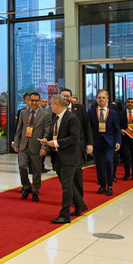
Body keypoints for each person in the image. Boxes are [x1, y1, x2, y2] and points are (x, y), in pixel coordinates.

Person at [40, 94, 88, 224]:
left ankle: (65, 214)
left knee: (66, 186)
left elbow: (73, 138)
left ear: (57, 104)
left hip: (70, 157)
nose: (50, 106)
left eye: (51, 103)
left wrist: (55, 143)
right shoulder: (54, 117)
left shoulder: (72, 118)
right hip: (58, 156)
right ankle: (80, 205)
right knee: (68, 184)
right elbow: (52, 133)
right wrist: (47, 141)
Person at [12, 91, 51, 202]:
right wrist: (16, 143)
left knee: (37, 170)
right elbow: (18, 129)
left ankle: (35, 190)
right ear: (29, 101)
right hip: (24, 146)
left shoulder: (45, 115)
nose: (34, 102)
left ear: (39, 101)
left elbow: (46, 132)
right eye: (32, 100)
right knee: (22, 166)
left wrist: (44, 147)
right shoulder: (23, 113)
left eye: (36, 100)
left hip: (37, 146)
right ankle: (26, 185)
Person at [59, 88, 93, 197]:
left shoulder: (80, 109)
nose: (65, 98)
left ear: (71, 97)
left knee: (77, 174)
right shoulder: (58, 110)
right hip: (63, 148)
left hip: (78, 147)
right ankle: (71, 198)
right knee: (66, 177)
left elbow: (87, 126)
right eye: (63, 96)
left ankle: (79, 199)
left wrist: (89, 143)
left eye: (67, 96)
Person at [88, 89, 121, 195]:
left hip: (109, 142)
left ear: (107, 99)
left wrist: (118, 141)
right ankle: (102, 185)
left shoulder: (113, 113)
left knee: (108, 162)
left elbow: (117, 129)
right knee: (99, 165)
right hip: (97, 142)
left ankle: (110, 185)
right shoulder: (91, 111)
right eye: (99, 98)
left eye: (103, 98)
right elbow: (88, 128)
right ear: (97, 99)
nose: (101, 99)